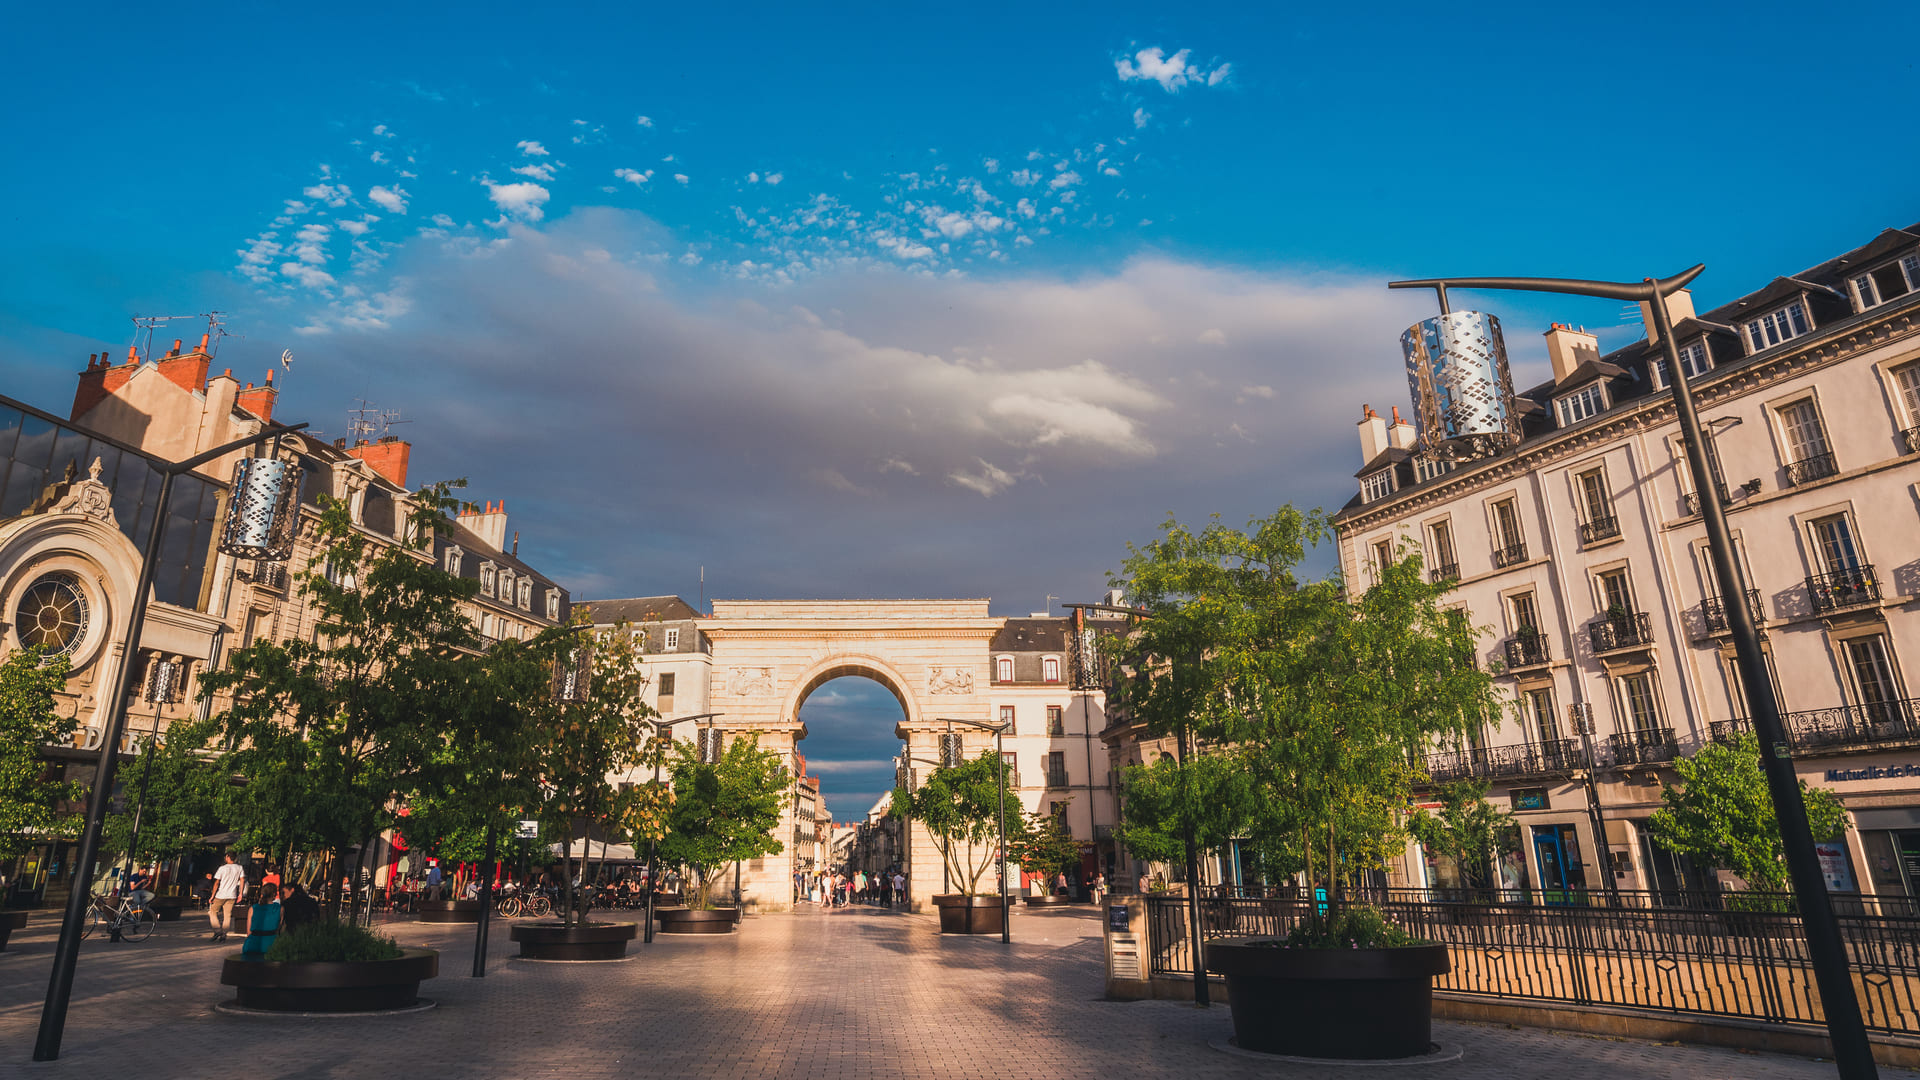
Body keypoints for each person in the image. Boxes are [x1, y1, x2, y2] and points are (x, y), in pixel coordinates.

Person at [209, 853, 247, 942]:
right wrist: (240, 893)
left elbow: (217, 882)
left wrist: (212, 895)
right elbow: (242, 880)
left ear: (227, 857)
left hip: (221, 894)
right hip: (232, 895)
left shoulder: (222, 868)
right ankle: (224, 934)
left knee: (212, 912)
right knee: (227, 915)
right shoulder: (239, 868)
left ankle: (217, 930)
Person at [241, 882, 283, 958]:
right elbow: (279, 928)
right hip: (272, 943)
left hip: (253, 944)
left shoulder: (253, 908)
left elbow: (248, 932)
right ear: (274, 894)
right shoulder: (279, 908)